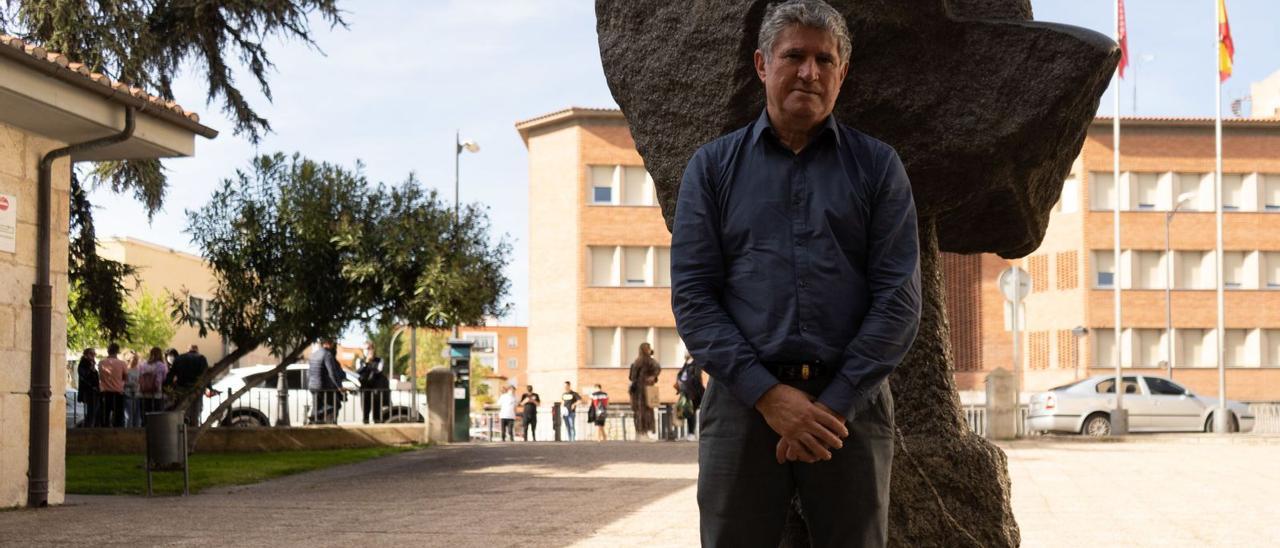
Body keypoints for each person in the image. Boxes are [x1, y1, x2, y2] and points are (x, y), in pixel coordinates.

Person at [669, 1, 922, 545]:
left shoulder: (879, 168)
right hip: (742, 407)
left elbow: (899, 301)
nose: (810, 72)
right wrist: (769, 397)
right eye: (795, 56)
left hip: (849, 413)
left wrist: (831, 406)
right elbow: (693, 297)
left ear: (842, 73)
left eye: (824, 60)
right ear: (762, 64)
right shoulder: (712, 169)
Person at [167, 344, 212, 426]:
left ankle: (184, 425)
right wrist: (209, 387)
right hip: (196, 388)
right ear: (197, 350)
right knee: (196, 410)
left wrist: (169, 387)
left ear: (188, 350)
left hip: (181, 388)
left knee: (183, 409)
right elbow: (206, 374)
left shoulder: (179, 358)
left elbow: (171, 374)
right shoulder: (201, 358)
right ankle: (194, 426)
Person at [307, 338, 346, 424]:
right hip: (322, 387)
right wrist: (339, 387)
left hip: (312, 386)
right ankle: (314, 417)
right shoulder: (327, 354)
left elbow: (309, 373)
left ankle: (314, 419)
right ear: (329, 343)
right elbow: (332, 373)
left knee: (318, 407)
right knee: (335, 405)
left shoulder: (313, 354)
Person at [627, 342, 660, 439]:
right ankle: (644, 433)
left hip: (636, 390)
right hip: (646, 389)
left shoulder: (636, 361)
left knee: (638, 411)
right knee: (646, 411)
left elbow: (632, 376)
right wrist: (652, 377)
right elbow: (657, 368)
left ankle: (639, 433)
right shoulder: (650, 361)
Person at [356, 342, 390, 424]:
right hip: (365, 388)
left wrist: (371, 363)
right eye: (364, 349)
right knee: (365, 409)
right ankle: (365, 422)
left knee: (377, 410)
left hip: (376, 389)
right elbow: (358, 372)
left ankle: (377, 423)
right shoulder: (360, 360)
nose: (366, 351)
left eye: (368, 348)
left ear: (372, 349)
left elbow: (379, 371)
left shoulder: (379, 360)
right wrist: (366, 363)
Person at [674, 353, 705, 440]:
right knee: (687, 412)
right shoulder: (686, 364)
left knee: (691, 412)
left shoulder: (696, 363)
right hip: (685, 392)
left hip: (693, 392)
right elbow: (681, 376)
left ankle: (691, 433)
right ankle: (689, 433)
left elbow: (697, 378)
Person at [96, 343, 127, 427]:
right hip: (118, 393)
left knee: (105, 416)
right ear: (117, 351)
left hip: (105, 392)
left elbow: (100, 376)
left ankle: (104, 434)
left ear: (108, 351)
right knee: (118, 417)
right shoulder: (122, 364)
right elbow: (125, 377)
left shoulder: (101, 363)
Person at [138, 347, 169, 422]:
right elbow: (165, 378)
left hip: (144, 393)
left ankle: (144, 430)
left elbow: (139, 377)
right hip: (157, 394)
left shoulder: (143, 365)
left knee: (145, 416)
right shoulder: (162, 365)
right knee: (156, 416)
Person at [75, 348, 100, 428]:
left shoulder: (90, 364)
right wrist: (93, 387)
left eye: (94, 354)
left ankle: (91, 425)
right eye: (91, 353)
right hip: (89, 391)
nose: (93, 356)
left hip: (93, 391)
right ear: (86, 354)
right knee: (91, 411)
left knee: (94, 410)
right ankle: (89, 426)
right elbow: (84, 377)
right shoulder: (83, 364)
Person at [122, 350, 142, 427]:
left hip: (137, 394)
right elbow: (123, 382)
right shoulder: (126, 370)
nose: (135, 361)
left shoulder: (138, 370)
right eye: (134, 359)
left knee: (137, 415)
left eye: (136, 359)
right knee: (129, 415)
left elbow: (140, 381)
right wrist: (131, 384)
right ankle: (128, 431)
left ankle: (137, 430)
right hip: (128, 394)